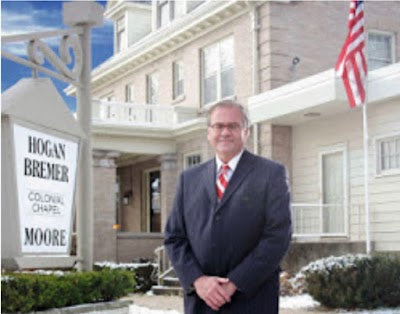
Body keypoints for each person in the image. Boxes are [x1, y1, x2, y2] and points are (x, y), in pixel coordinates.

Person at [164, 100, 292, 313]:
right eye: (218, 126)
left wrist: (234, 283)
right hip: (201, 302)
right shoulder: (189, 179)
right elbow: (174, 238)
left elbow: (277, 237)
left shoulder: (271, 174)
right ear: (208, 132)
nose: (225, 132)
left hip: (252, 299)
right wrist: (198, 280)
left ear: (245, 132)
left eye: (232, 126)